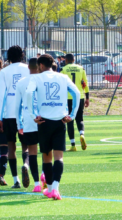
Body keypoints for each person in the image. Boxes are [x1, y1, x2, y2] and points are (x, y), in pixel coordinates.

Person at [26, 54, 80, 200]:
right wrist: (72, 115)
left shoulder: (36, 78)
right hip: (60, 120)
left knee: (46, 157)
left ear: (41, 66)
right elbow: (76, 92)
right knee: (59, 157)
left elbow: (29, 94)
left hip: (43, 121)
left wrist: (33, 115)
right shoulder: (62, 77)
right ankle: (55, 188)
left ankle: (49, 189)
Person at [0, 45, 30, 188]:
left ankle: (16, 180)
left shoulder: (4, 71)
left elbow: (2, 95)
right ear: (22, 55)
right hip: (25, 113)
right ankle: (26, 165)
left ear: (8, 57)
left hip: (9, 113)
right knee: (26, 146)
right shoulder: (28, 68)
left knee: (11, 146)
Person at [15, 58, 42, 192]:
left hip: (28, 120)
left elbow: (17, 106)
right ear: (39, 66)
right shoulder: (43, 80)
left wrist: (19, 123)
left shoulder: (21, 83)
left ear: (28, 68)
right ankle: (44, 176)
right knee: (46, 150)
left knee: (32, 152)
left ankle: (36, 184)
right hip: (43, 119)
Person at [61, 54, 89, 151]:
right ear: (74, 59)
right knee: (80, 118)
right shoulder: (81, 68)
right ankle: (82, 134)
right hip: (80, 96)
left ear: (66, 60)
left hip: (68, 97)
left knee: (69, 120)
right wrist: (87, 97)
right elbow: (85, 82)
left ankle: (73, 145)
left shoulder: (63, 69)